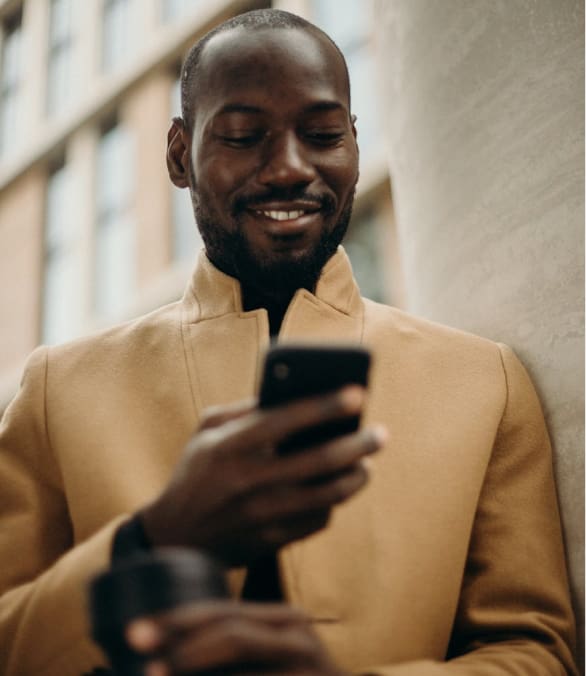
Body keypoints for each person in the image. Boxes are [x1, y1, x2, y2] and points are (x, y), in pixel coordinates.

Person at [0, 8, 577, 676]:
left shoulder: (487, 383)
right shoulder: (56, 391)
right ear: (178, 155)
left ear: (355, 147)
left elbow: (537, 653)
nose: (289, 168)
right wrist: (154, 541)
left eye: (324, 134)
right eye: (245, 136)